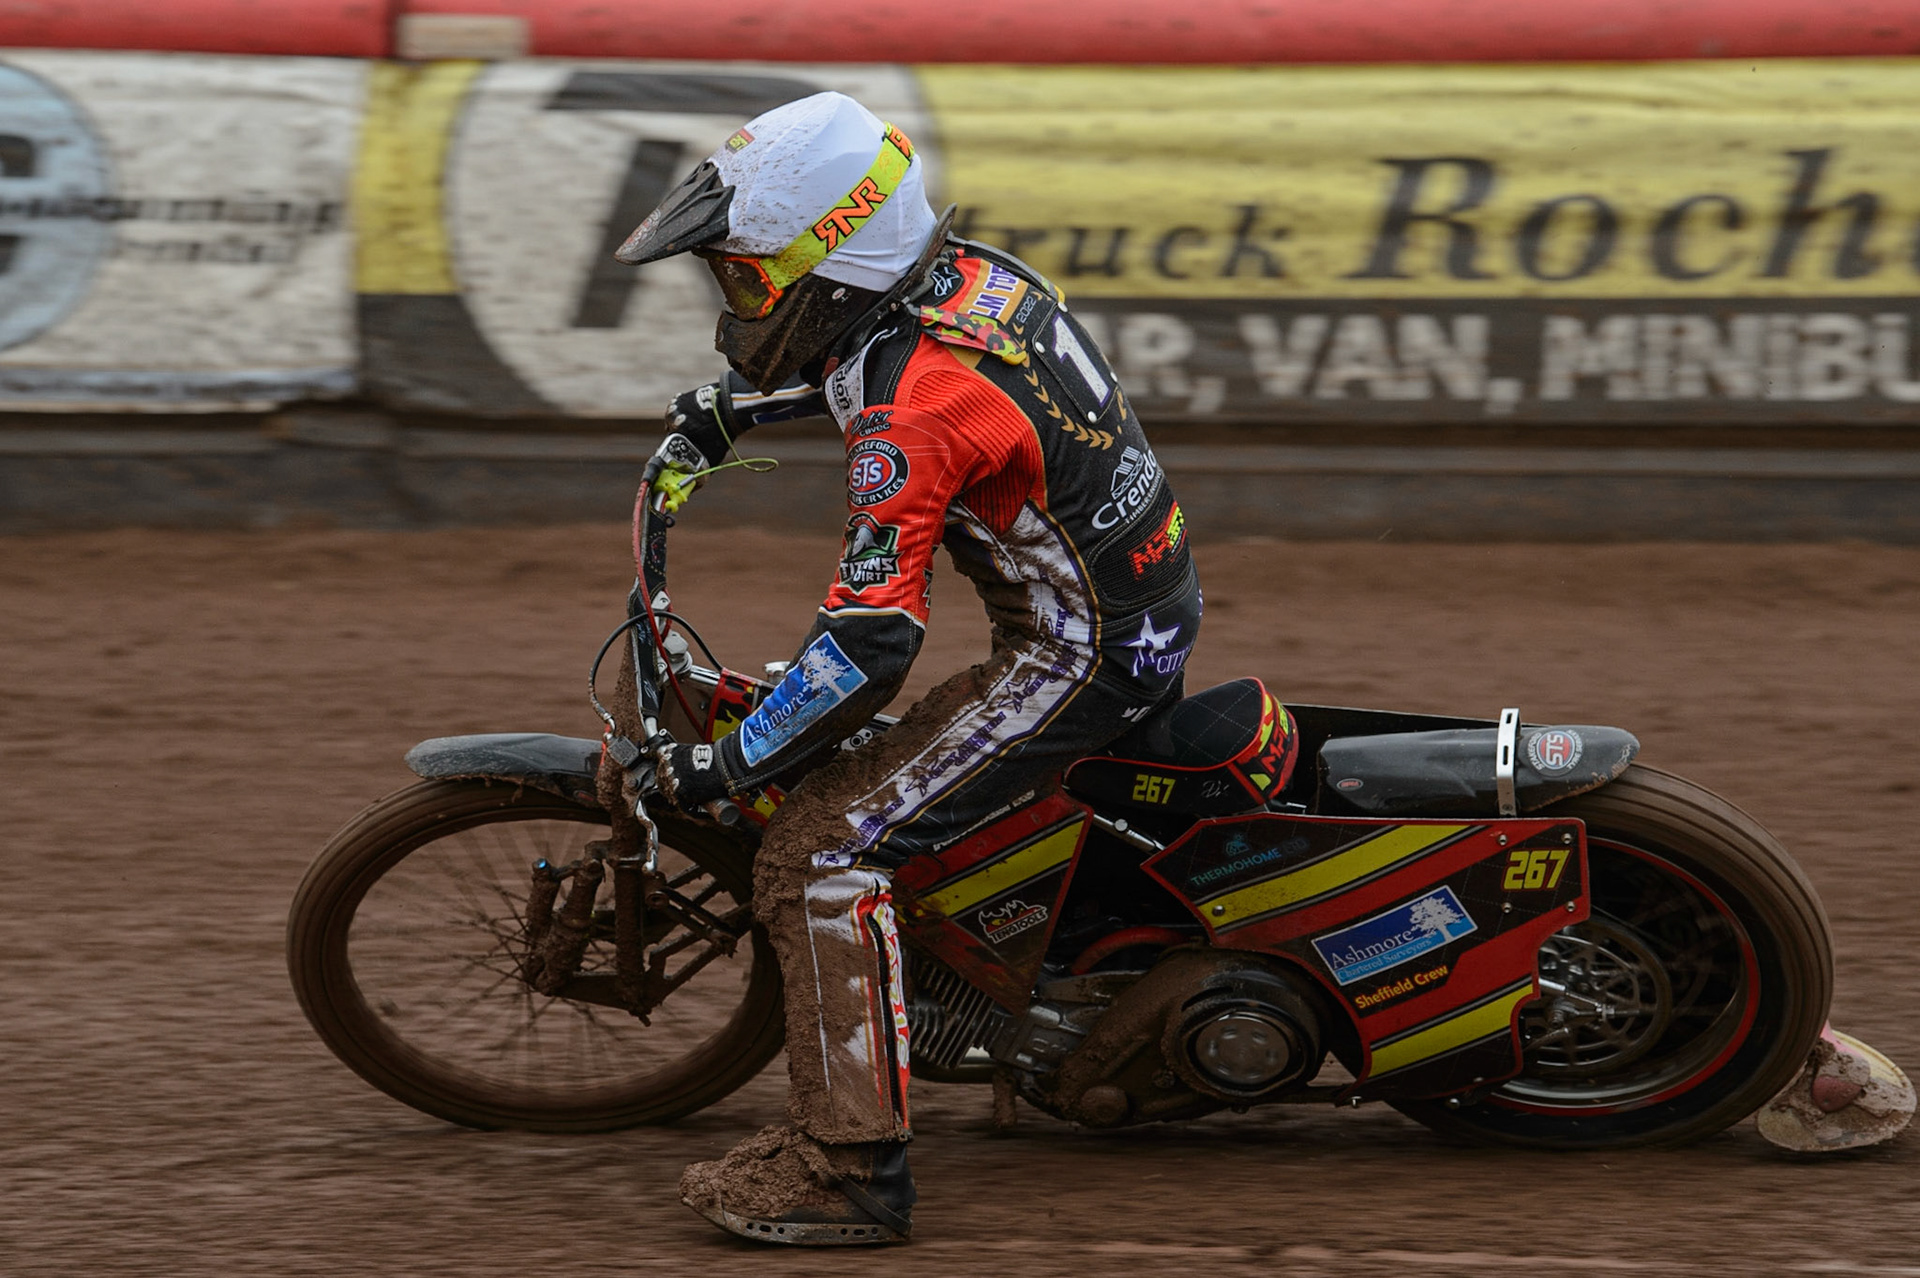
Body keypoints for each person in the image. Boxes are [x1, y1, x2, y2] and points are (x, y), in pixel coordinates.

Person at [615, 91, 1201, 1245]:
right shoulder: (971, 278)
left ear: (828, 267)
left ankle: (851, 1171)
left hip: (1076, 654)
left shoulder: (911, 415)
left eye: (744, 280)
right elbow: (913, 381)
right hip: (1145, 594)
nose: (731, 306)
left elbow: (874, 646)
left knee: (818, 843)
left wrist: (731, 762)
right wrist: (738, 414)